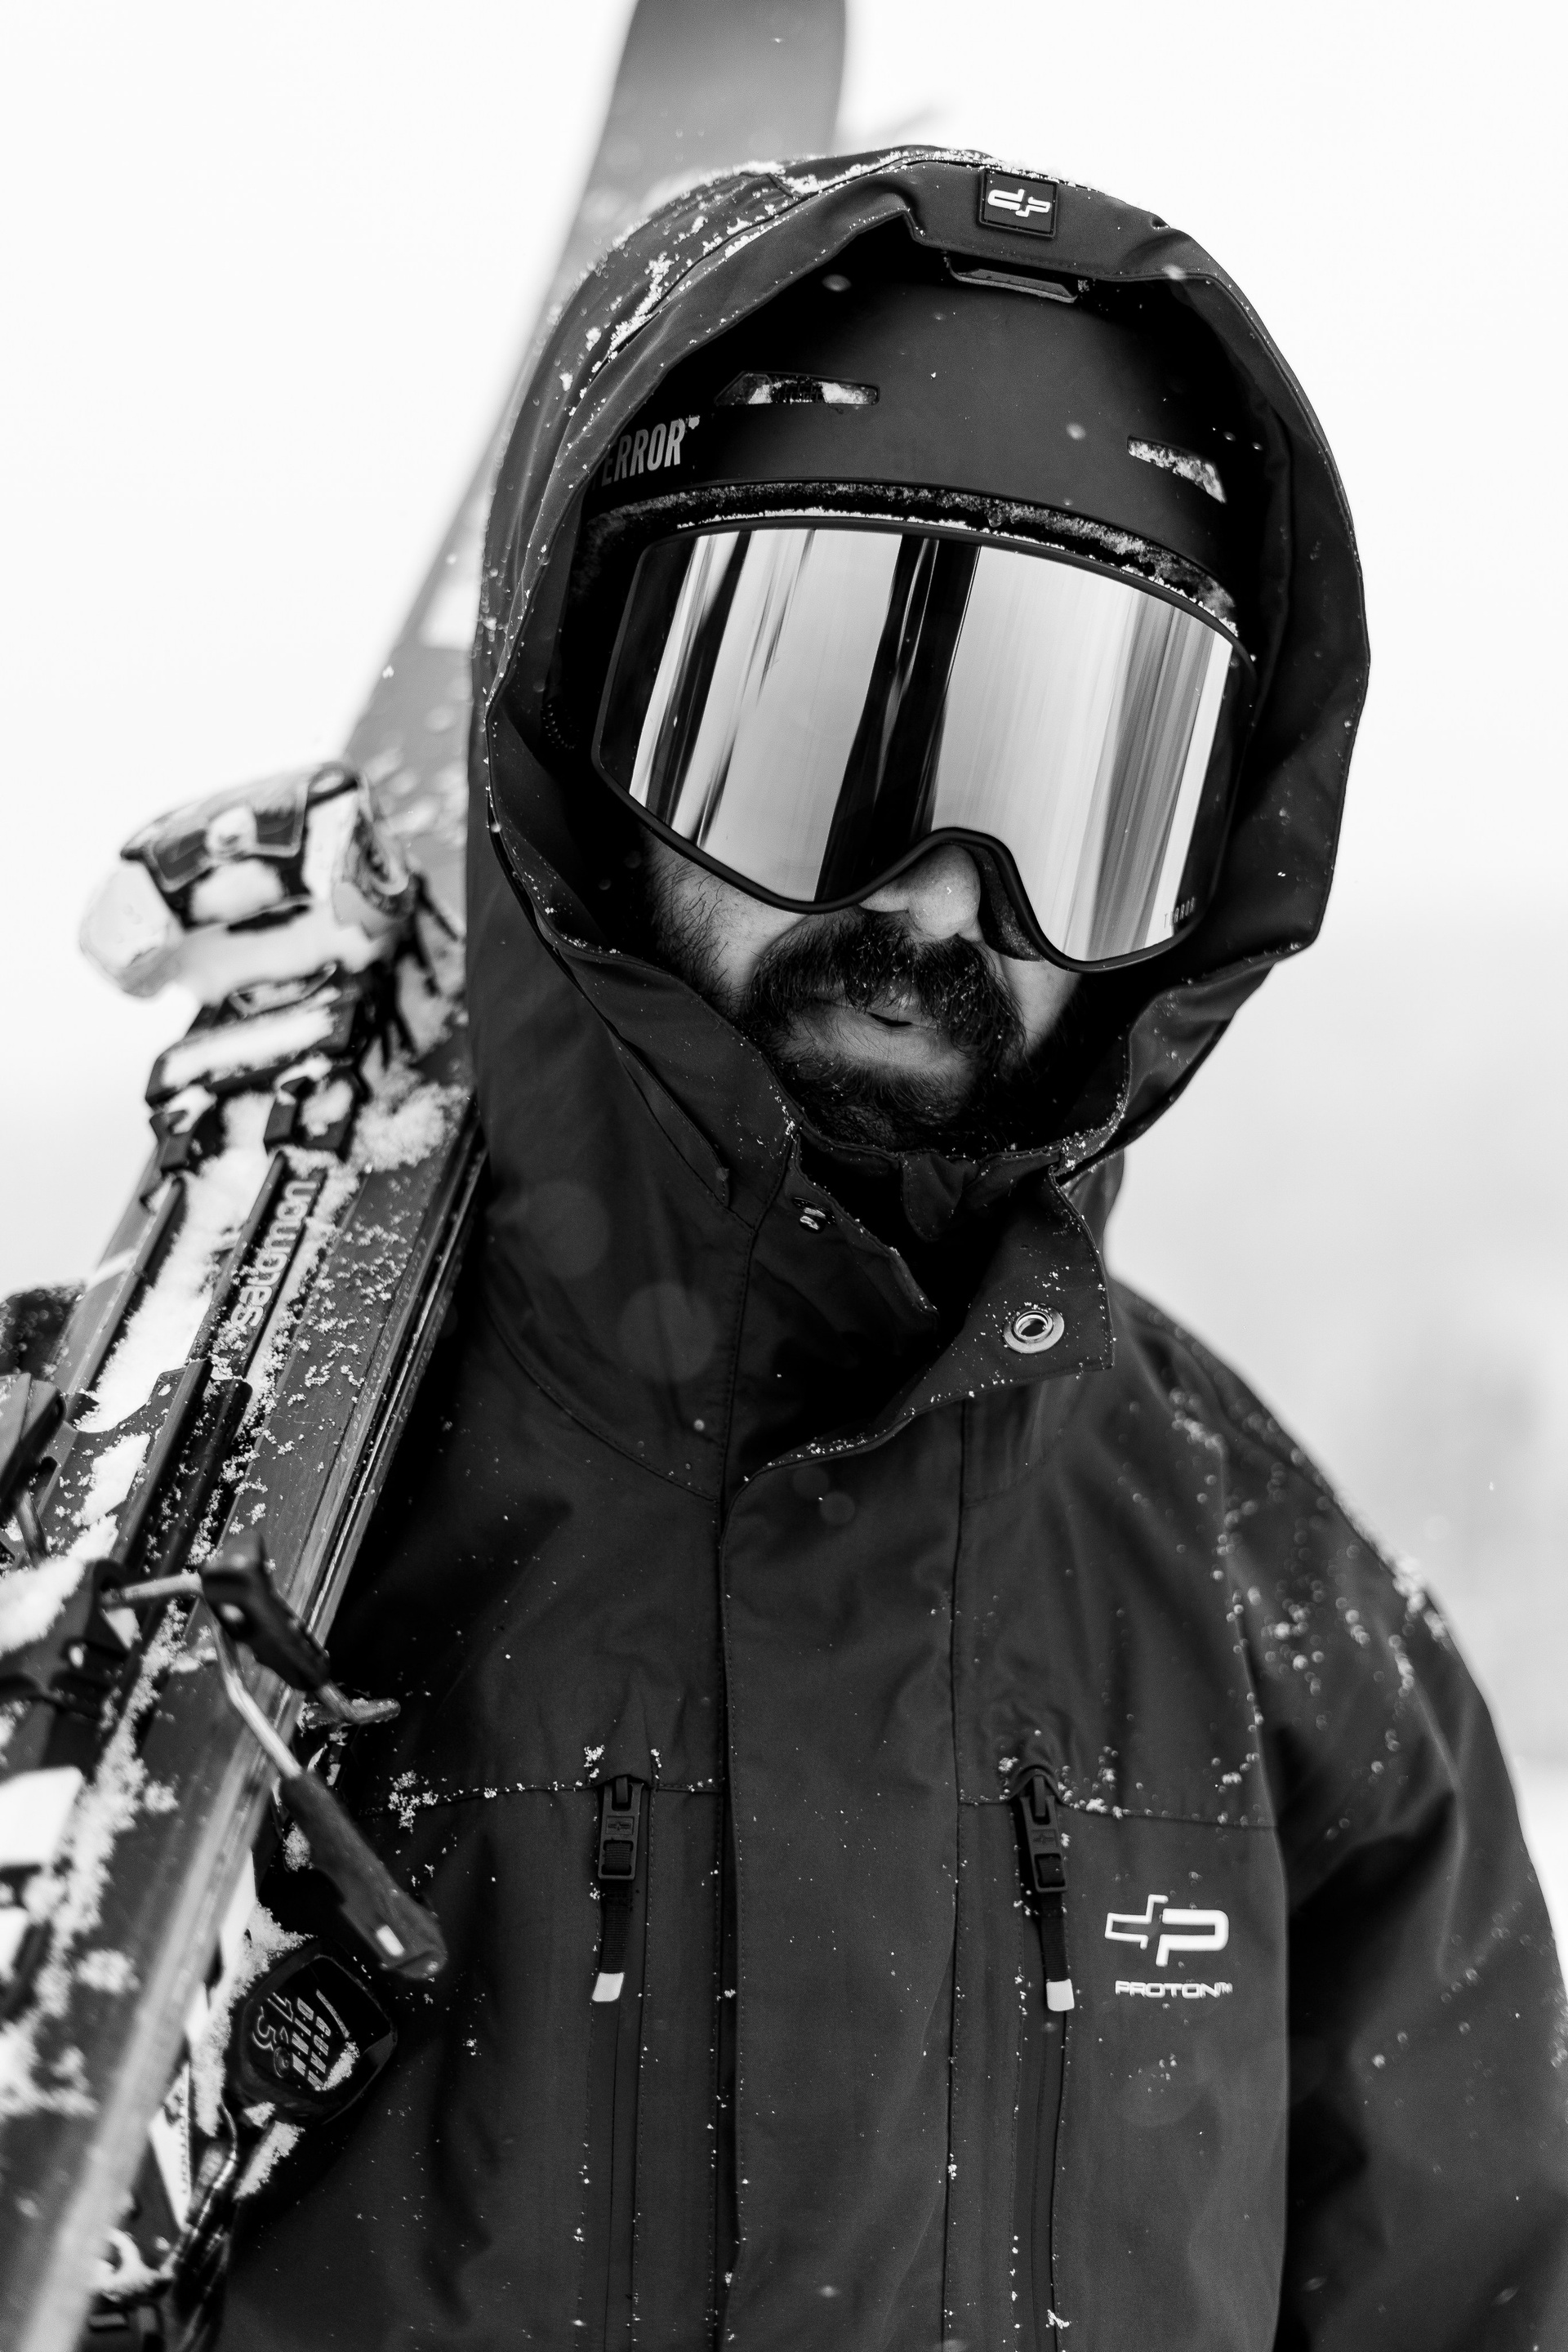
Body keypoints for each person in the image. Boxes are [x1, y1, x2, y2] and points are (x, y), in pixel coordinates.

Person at [221, 150, 1568, 2350]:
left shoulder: (1286, 1629)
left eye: (1077, 792)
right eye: (811, 734)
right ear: (589, 738)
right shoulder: (219, 1520)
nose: (945, 897)